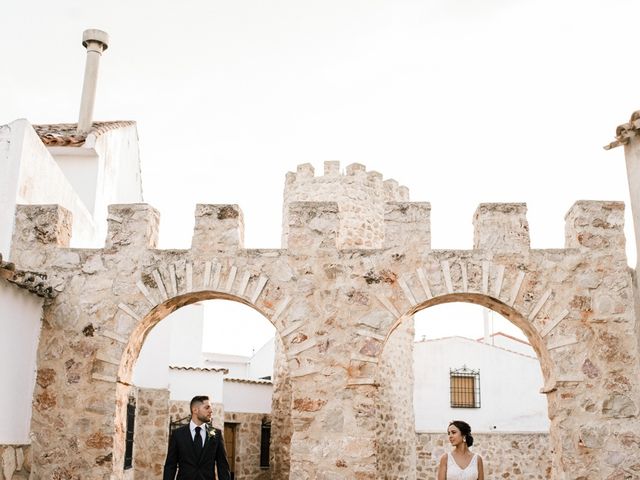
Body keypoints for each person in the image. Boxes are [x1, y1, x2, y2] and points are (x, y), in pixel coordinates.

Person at [163, 395, 231, 480]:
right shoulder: (178, 434)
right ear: (195, 410)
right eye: (207, 408)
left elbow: (223, 466)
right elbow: (170, 465)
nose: (211, 411)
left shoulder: (214, 433)